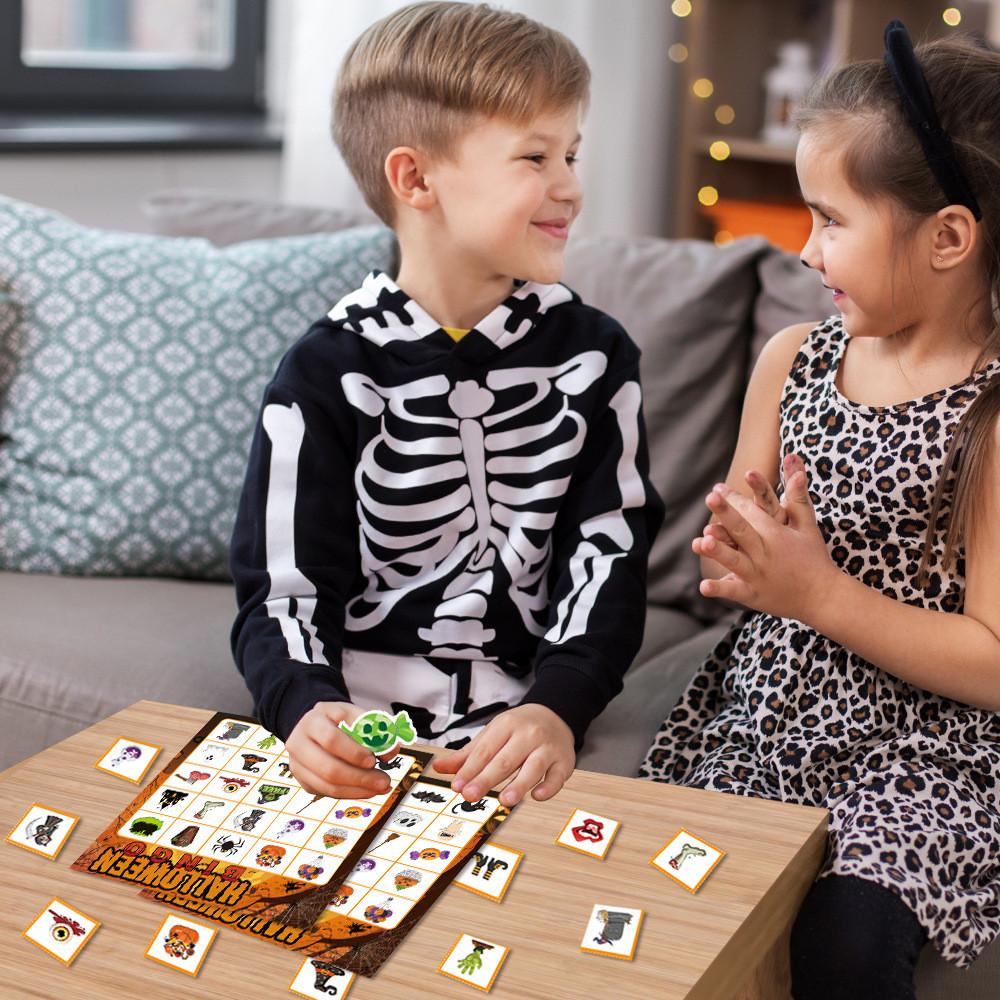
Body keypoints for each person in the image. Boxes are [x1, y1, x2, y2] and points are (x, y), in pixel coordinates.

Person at [640, 22, 1000, 1000]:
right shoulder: (790, 360)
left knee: (844, 949)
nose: (804, 250)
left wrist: (815, 590)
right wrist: (738, 554)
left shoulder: (989, 409)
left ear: (948, 237)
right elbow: (743, 557)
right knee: (664, 921)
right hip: (770, 717)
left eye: (831, 220)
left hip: (922, 752)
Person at [230, 2, 663, 811]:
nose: (571, 185)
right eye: (534, 156)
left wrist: (557, 705)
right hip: (357, 727)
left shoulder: (597, 357)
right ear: (415, 178)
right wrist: (299, 707)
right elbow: (281, 587)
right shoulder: (323, 371)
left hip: (525, 729)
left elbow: (610, 560)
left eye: (571, 152)